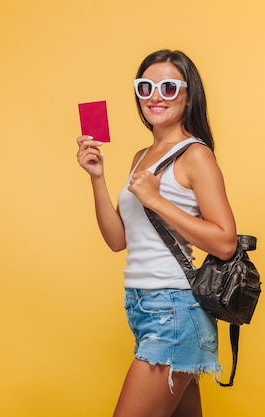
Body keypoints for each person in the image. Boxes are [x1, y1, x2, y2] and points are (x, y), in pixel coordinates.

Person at [76, 49, 237, 417]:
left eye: (168, 86)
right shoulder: (141, 156)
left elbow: (225, 241)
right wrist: (97, 178)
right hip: (142, 306)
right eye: (145, 86)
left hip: (174, 311)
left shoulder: (195, 155)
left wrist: (158, 199)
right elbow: (118, 240)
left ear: (188, 94)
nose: (155, 95)